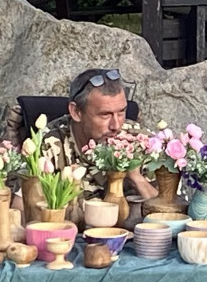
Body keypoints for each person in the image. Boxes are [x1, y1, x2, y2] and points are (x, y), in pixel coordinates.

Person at [41, 68, 157, 222]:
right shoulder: (51, 142)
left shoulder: (141, 141)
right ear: (76, 112)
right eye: (105, 115)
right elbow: (23, 210)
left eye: (121, 112)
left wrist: (136, 177)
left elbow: (169, 214)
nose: (116, 125)